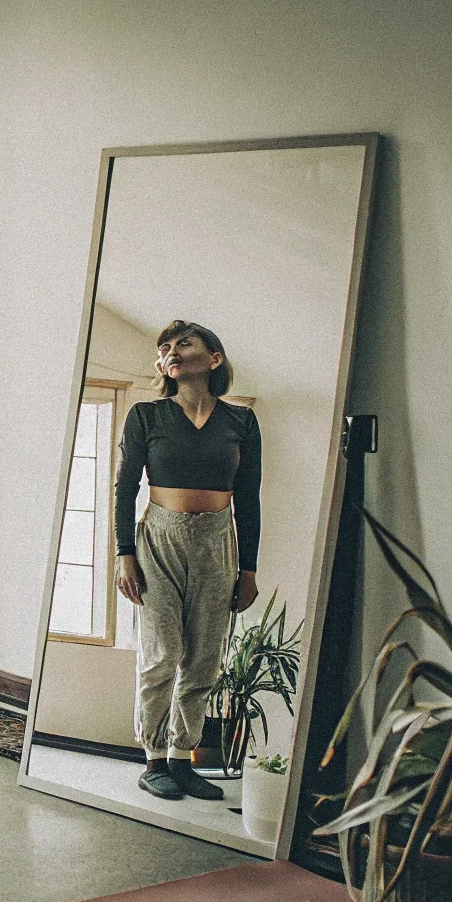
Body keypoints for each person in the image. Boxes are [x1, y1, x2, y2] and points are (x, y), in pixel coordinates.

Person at [112, 321, 261, 803]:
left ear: (213, 358)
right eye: (165, 348)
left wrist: (249, 569)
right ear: (162, 366)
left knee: (203, 661)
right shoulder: (147, 416)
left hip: (219, 542)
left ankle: (182, 758)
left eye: (183, 343)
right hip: (158, 539)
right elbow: (125, 489)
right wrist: (124, 554)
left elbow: (249, 499)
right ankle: (153, 759)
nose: (172, 351)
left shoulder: (241, 422)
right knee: (160, 655)